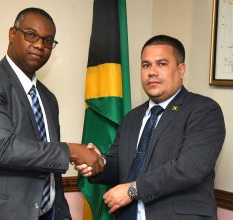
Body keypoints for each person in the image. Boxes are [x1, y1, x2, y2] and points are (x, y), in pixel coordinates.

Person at [0, 7, 103, 220]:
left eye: (48, 41)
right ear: (12, 34)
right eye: (31, 35)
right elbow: (3, 149)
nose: (39, 45)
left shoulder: (47, 98)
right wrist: (72, 151)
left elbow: (47, 163)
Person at [76, 35, 225, 219]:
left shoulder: (204, 110)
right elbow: (120, 166)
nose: (151, 72)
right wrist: (99, 163)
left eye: (161, 64)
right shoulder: (132, 117)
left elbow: (189, 168)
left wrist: (133, 190)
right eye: (146, 65)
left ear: (181, 69)